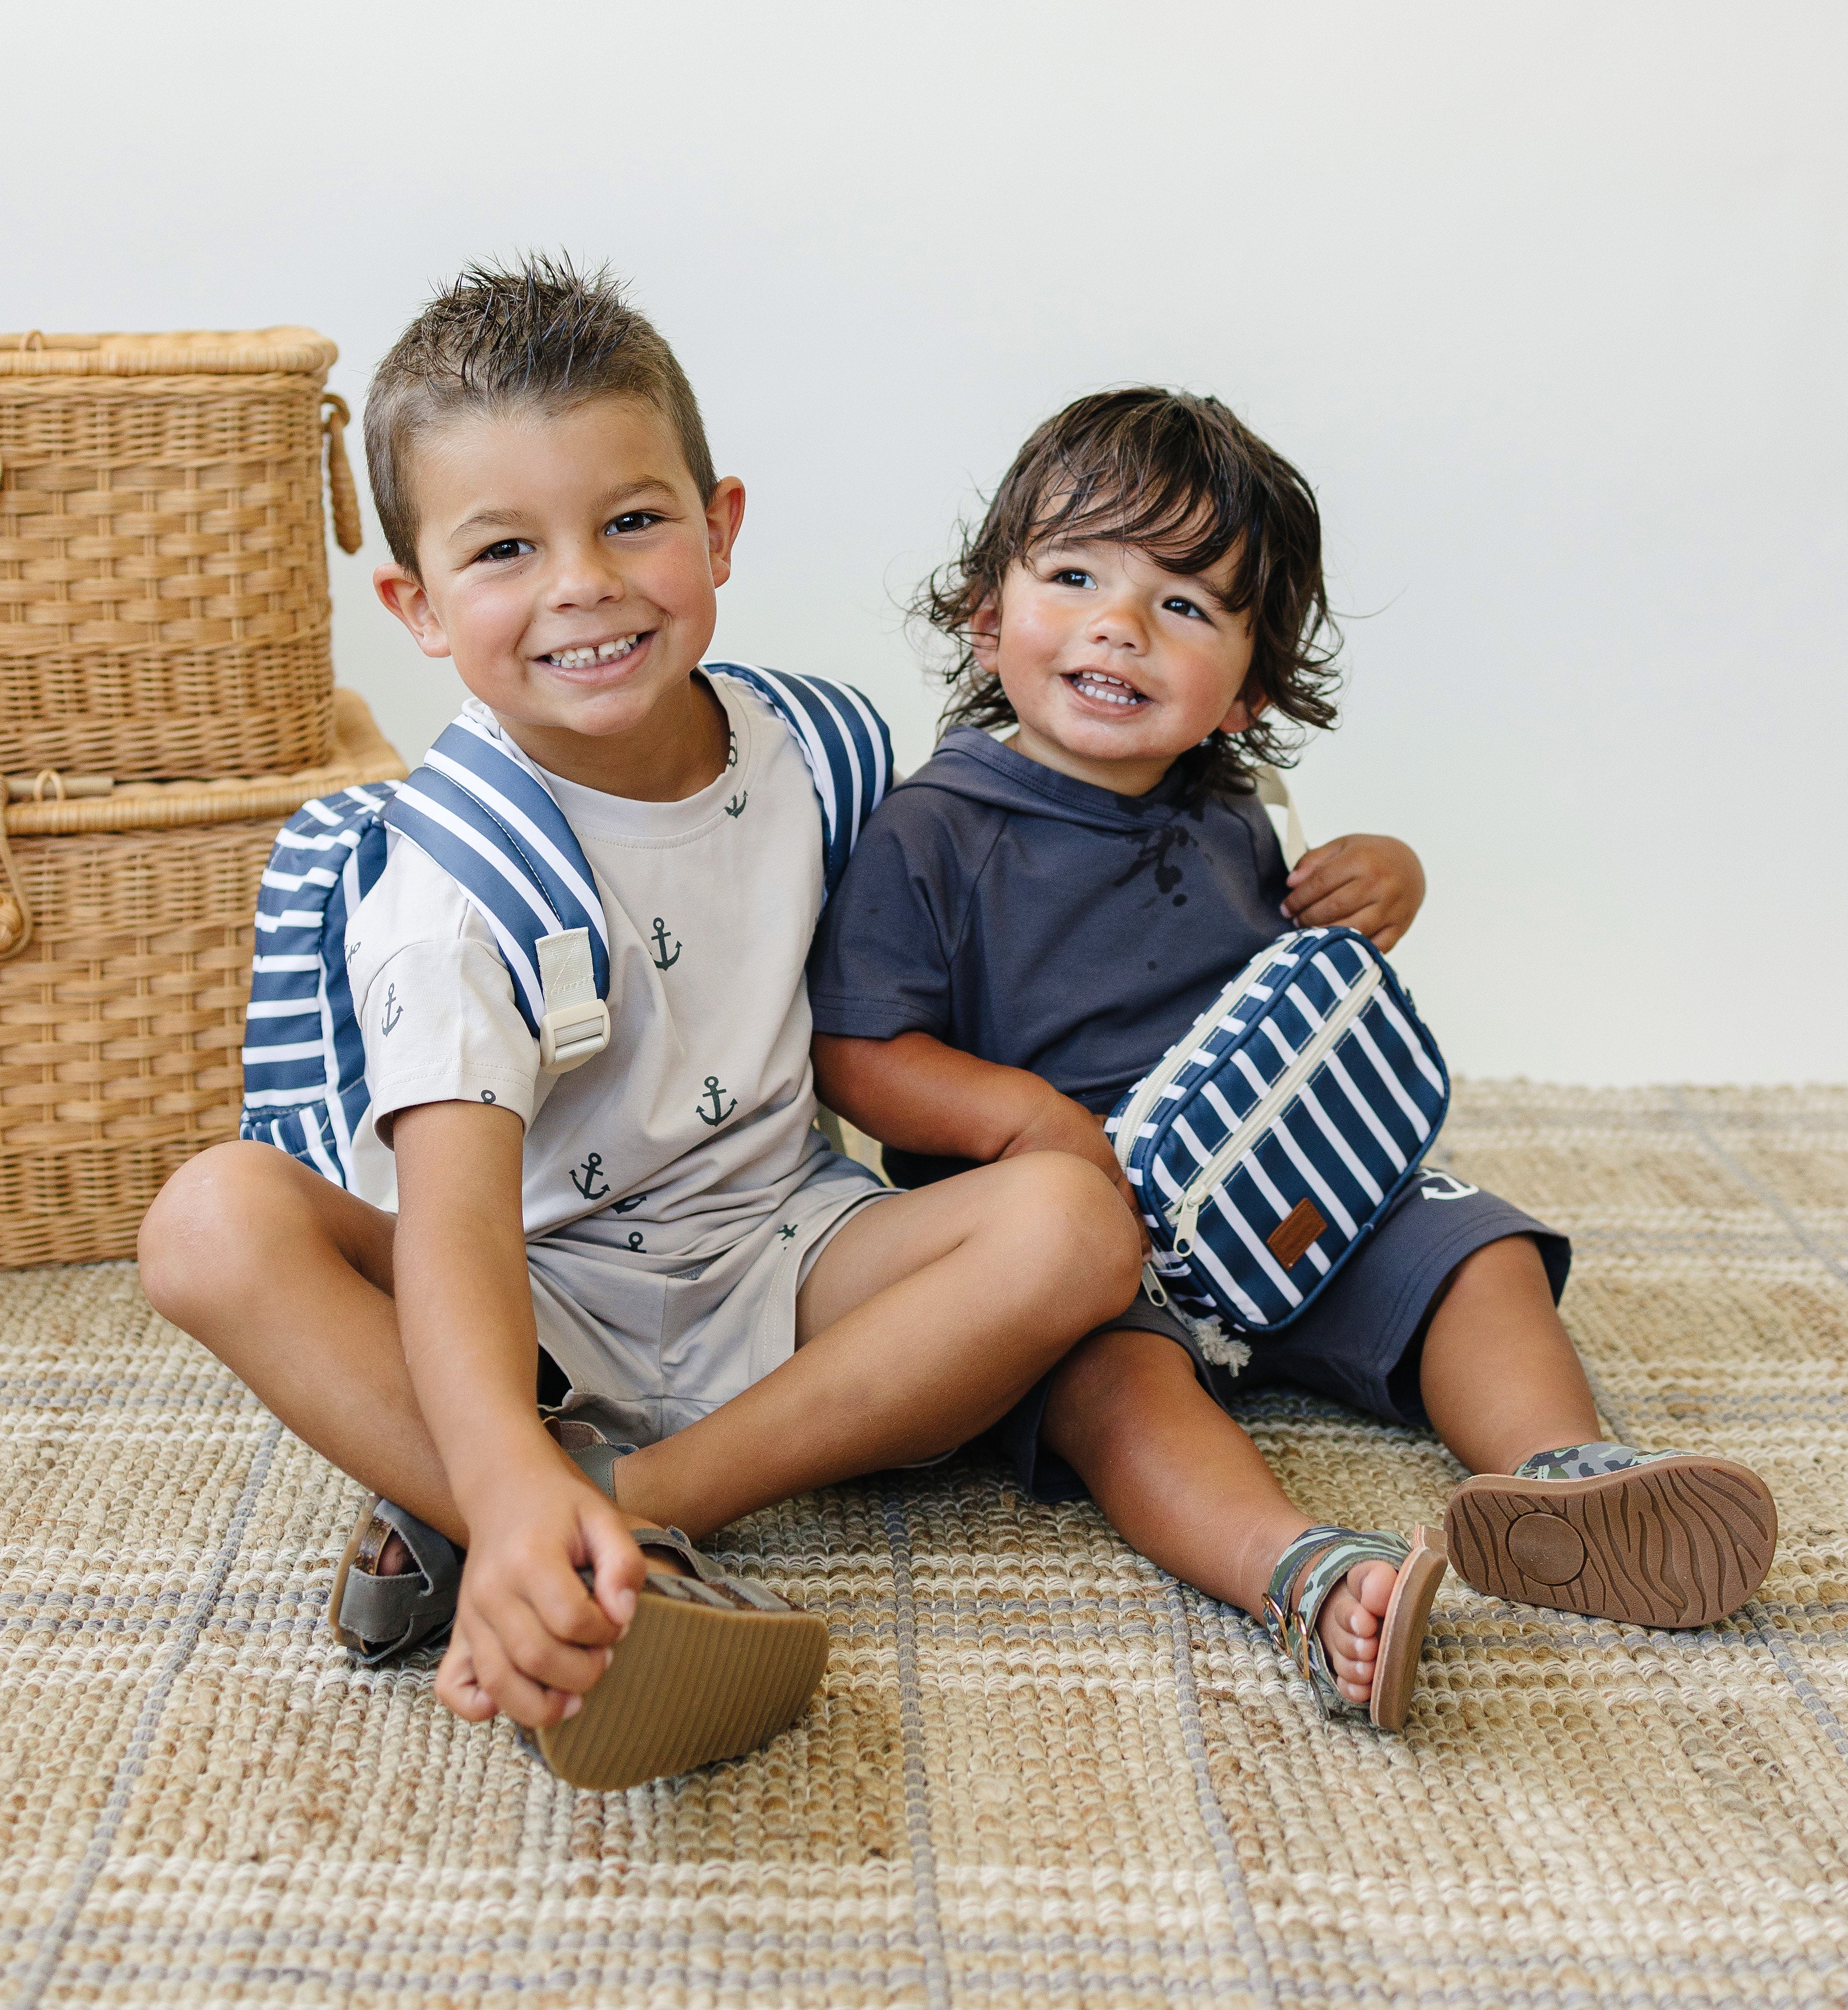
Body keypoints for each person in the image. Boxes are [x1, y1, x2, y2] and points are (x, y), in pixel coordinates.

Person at [138, 262, 1140, 1788]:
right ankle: (518, 1493)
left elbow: (980, 913)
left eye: (631, 520)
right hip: (531, 1290)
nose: (583, 585)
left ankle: (616, 1508)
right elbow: (457, 1233)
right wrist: (496, 1446)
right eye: (504, 549)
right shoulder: (456, 880)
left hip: (780, 1244)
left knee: (1071, 1222)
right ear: (416, 608)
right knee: (211, 1223)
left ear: (720, 527)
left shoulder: (820, 745)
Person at [809, 386, 1777, 1729]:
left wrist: (1394, 875)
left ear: (1248, 691)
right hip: (1082, 1246)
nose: (1120, 624)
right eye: (1075, 576)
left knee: (1476, 1248)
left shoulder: (1237, 810)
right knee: (1115, 1388)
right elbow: (858, 1054)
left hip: (1284, 1189)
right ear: (988, 614)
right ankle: (1304, 1574)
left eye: (1184, 604)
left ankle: (1562, 1479)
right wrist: (1021, 1116)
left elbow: (1299, 973)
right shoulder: (932, 831)